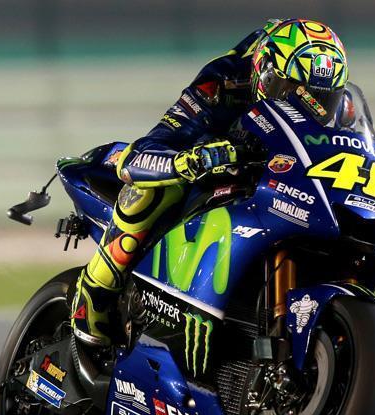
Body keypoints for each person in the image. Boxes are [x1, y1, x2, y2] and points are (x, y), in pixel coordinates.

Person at [69, 18, 350, 346]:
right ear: (264, 73)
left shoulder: (340, 110)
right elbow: (146, 151)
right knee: (153, 190)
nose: (309, 107)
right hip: (208, 172)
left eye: (322, 98)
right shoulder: (220, 84)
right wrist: (188, 160)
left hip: (273, 183)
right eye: (292, 92)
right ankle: (96, 289)